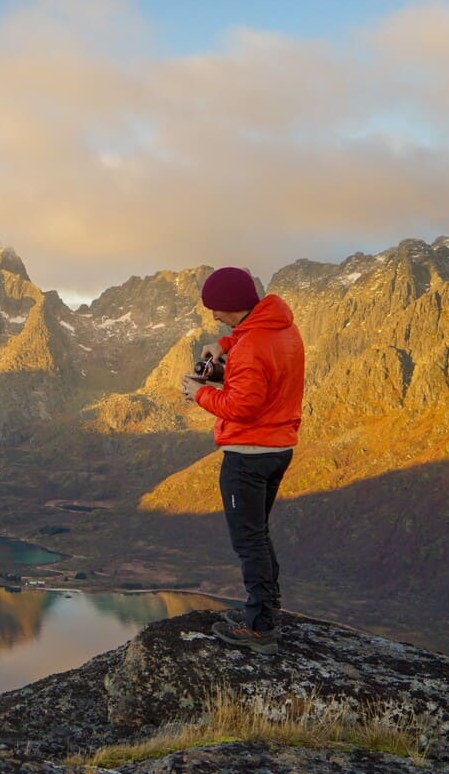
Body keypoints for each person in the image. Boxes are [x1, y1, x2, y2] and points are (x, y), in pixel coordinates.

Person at [181, 267, 304, 654]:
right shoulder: (281, 328)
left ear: (233, 306)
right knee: (259, 535)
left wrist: (198, 393)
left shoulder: (250, 347)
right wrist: (223, 350)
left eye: (217, 310)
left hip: (248, 454)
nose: (214, 315)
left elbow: (242, 406)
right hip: (278, 447)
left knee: (248, 541)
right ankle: (264, 611)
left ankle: (260, 629)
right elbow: (259, 374)